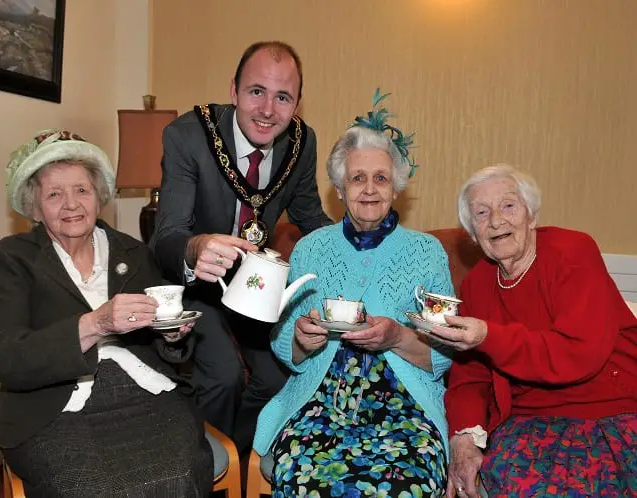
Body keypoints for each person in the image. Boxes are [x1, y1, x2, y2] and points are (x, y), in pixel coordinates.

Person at [0, 129, 213, 497]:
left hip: (146, 393)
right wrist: (95, 323)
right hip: (53, 405)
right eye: (54, 194)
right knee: (88, 488)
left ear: (99, 196)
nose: (71, 204)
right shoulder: (12, 258)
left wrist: (171, 336)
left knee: (178, 475)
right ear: (35, 207)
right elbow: (3, 355)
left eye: (81, 190)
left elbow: (169, 350)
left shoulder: (135, 252)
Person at [252, 92, 454, 497]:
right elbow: (283, 341)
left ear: (396, 187)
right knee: (306, 481)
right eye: (357, 178)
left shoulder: (427, 252)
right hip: (320, 400)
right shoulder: (310, 248)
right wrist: (301, 341)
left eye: (380, 178)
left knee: (408, 485)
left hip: (405, 408)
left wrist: (396, 337)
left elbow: (444, 350)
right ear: (340, 189)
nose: (369, 189)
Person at [150, 40, 332, 452]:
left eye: (282, 97)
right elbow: (166, 237)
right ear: (234, 91)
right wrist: (197, 248)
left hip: (252, 283)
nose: (268, 110)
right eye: (256, 92)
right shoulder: (189, 135)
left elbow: (312, 219)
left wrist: (360, 245)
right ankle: (204, 470)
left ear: (297, 103)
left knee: (279, 376)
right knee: (223, 376)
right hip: (196, 279)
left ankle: (241, 461)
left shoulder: (301, 144)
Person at [429, 165, 637, 497]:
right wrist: (464, 438)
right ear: (473, 232)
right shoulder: (477, 285)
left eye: (508, 206)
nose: (497, 220)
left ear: (532, 215)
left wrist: (487, 336)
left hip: (611, 410)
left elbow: (578, 354)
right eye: (482, 213)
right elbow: (470, 378)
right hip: (530, 421)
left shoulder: (573, 252)